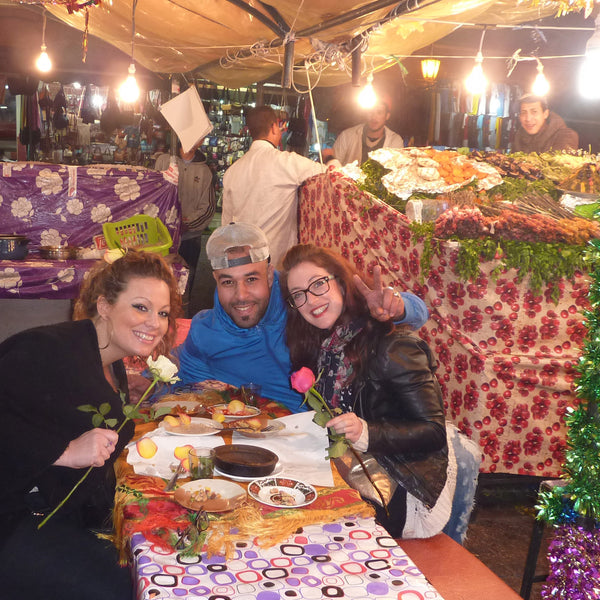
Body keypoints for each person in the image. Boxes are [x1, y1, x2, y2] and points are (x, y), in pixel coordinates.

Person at [0, 250, 182, 600]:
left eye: (162, 313)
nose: (154, 323)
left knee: (157, 562)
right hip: (14, 521)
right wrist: (63, 452)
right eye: (141, 307)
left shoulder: (111, 364)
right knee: (126, 589)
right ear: (104, 306)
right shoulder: (46, 348)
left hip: (60, 515)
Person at [280, 244, 455, 538]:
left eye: (318, 284)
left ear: (341, 282)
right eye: (299, 294)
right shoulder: (324, 346)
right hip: (353, 470)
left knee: (303, 522)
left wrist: (366, 432)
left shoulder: (393, 345)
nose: (310, 300)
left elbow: (433, 432)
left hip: (401, 487)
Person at [176, 222, 429, 413]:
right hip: (260, 438)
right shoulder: (204, 332)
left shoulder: (300, 301)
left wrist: (398, 307)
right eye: (228, 282)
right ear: (215, 282)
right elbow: (183, 384)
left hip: (341, 435)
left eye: (251, 278)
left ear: (269, 274)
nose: (241, 295)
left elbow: (415, 313)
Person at [222, 106, 340, 268]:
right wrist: (330, 157)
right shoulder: (287, 162)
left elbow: (226, 228)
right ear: (273, 127)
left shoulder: (231, 172)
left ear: (250, 131)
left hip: (243, 264)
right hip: (276, 264)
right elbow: (334, 175)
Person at [155, 139, 216, 315]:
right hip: (160, 238)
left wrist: (186, 225)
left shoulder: (205, 171)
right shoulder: (163, 161)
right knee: (158, 282)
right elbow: (152, 194)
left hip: (189, 239)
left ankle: (180, 321)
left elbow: (208, 209)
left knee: (183, 287)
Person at [328, 93, 404, 166]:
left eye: (379, 112)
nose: (374, 117)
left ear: (387, 116)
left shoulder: (395, 141)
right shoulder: (347, 136)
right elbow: (333, 167)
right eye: (370, 112)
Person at [513, 94, 579, 153]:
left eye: (534, 112)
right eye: (524, 113)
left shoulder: (565, 136)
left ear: (545, 114)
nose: (528, 119)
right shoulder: (519, 137)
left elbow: (560, 164)